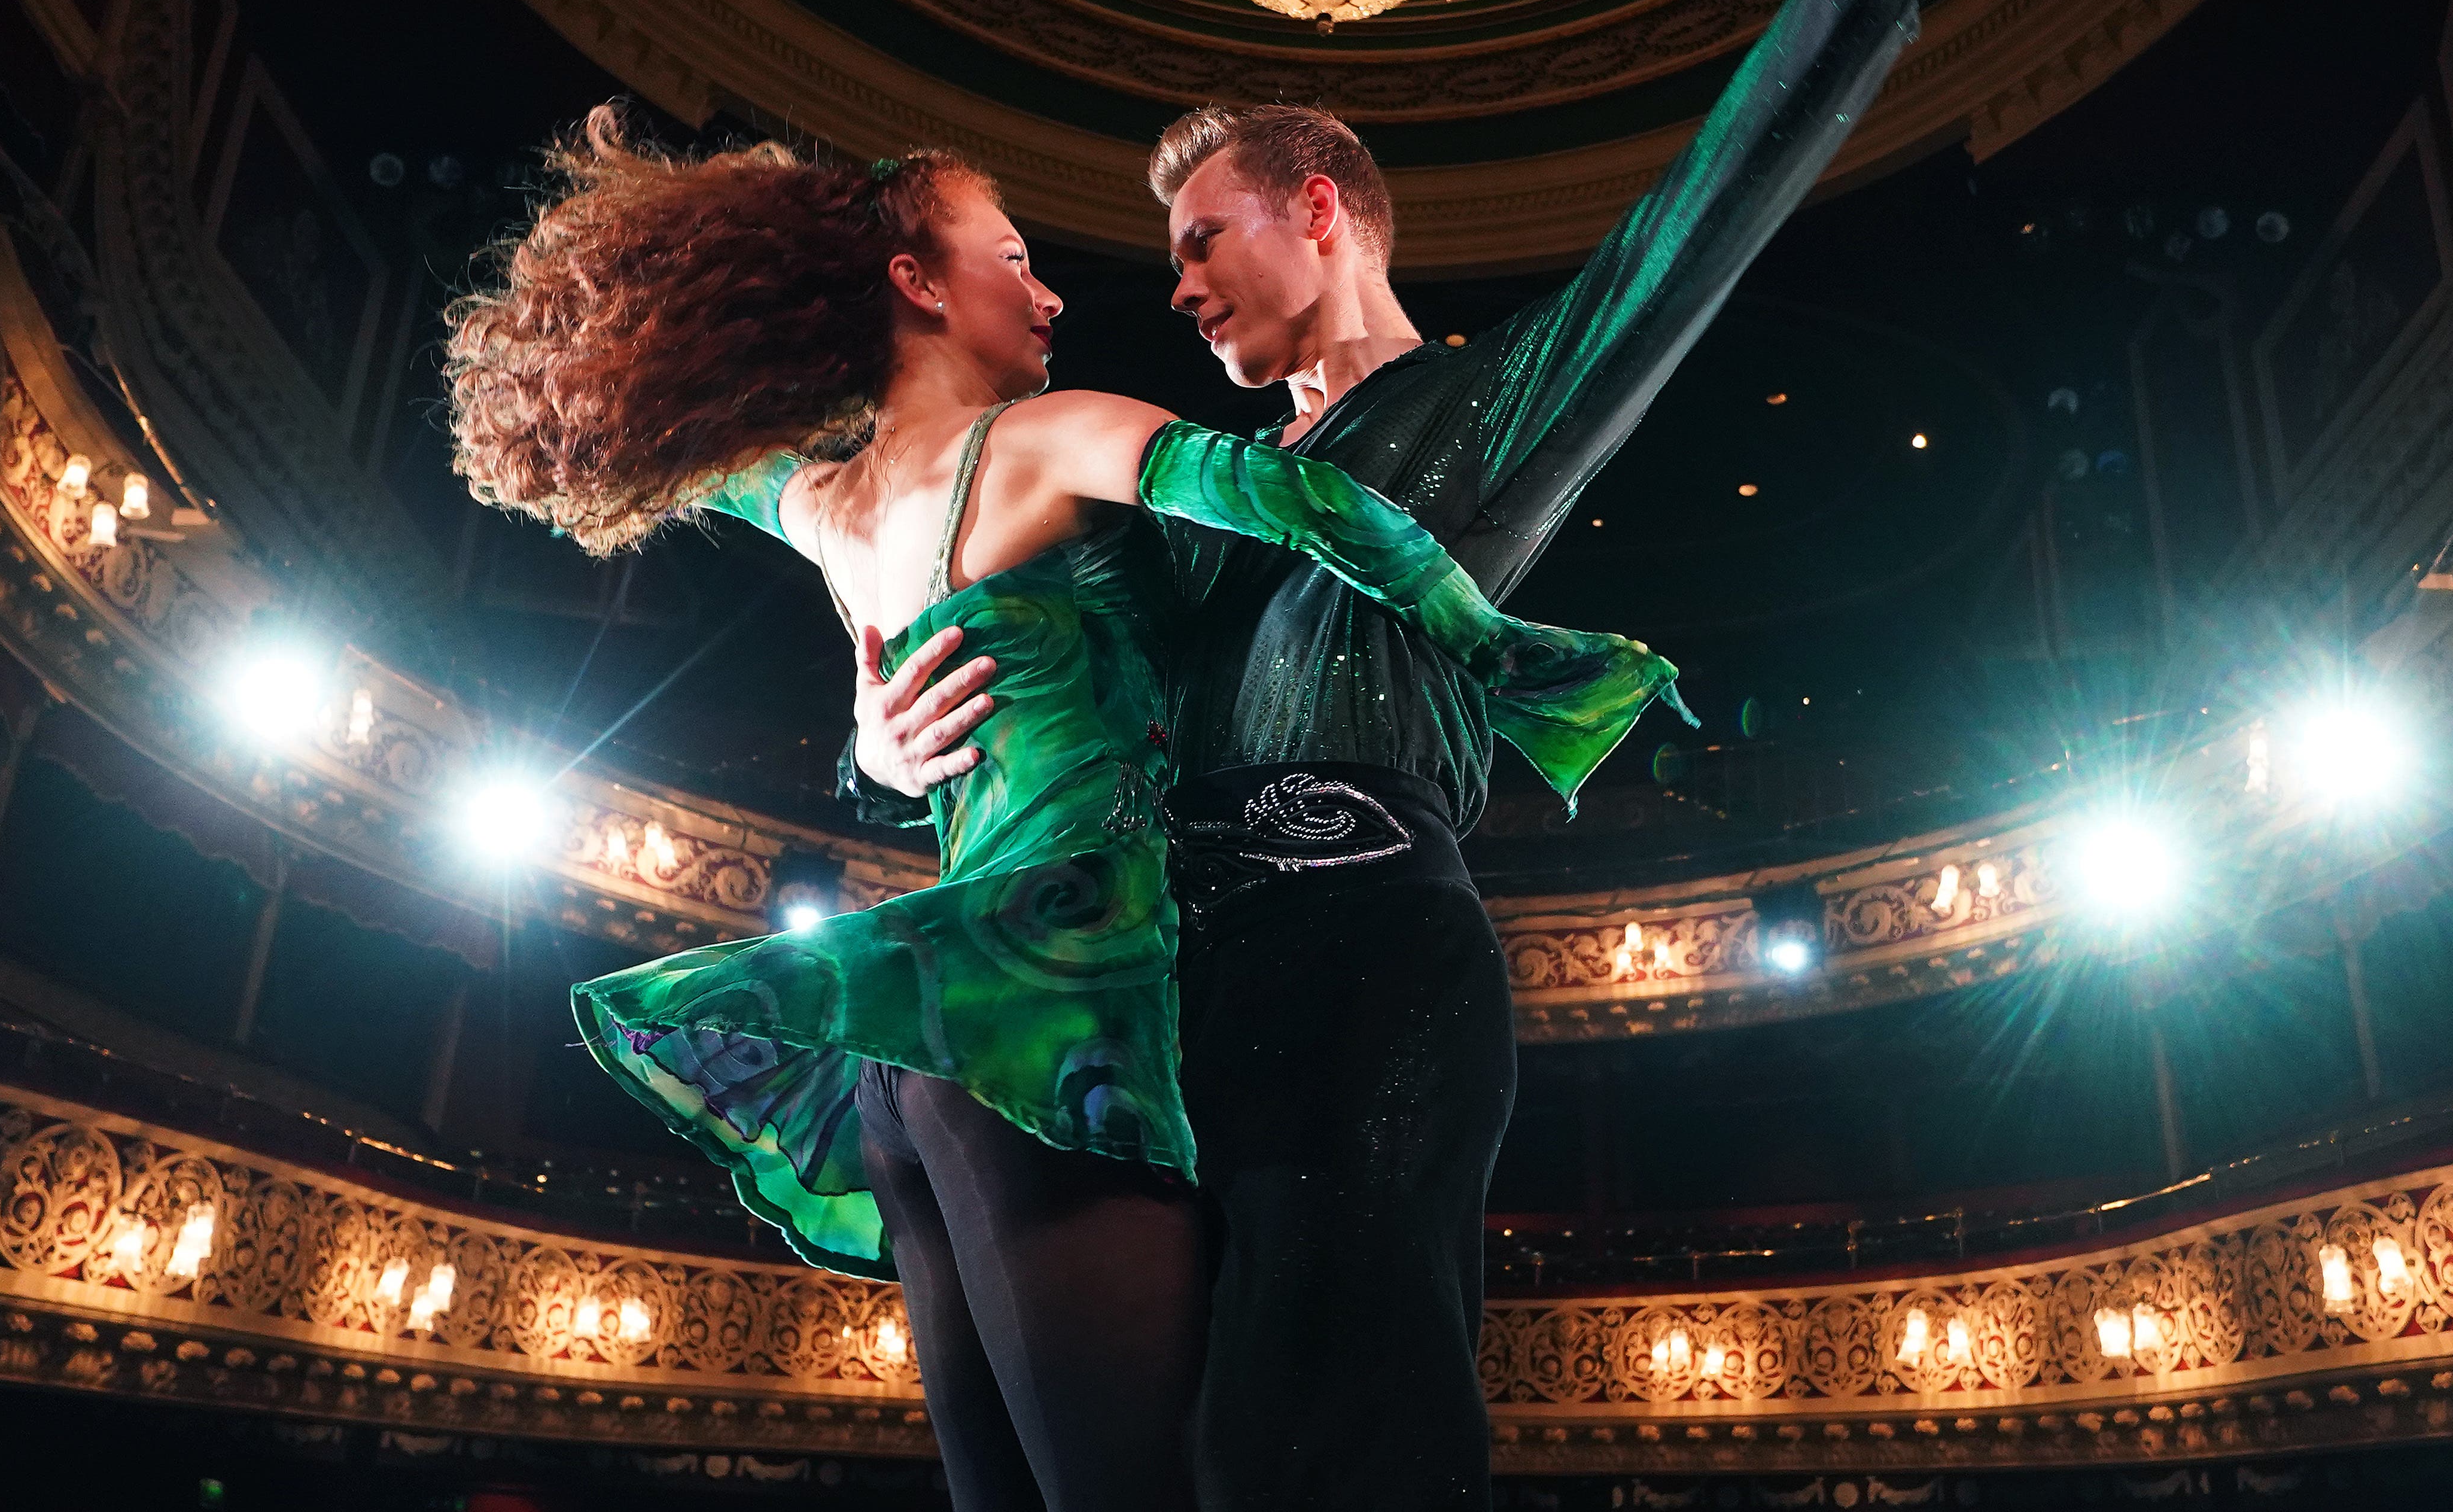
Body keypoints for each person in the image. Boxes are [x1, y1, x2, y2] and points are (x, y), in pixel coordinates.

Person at [850, 0, 2129, 1508]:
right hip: (1154, 987)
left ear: (1321, 206)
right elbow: (997, 642)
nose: (1176, 280)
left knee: (1314, 1450)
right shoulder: (1178, 493)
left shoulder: (1489, 414)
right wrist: (889, 749)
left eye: (1204, 233)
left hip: (1362, 969)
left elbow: (1716, 199)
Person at [440, 116, 1685, 1510]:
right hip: (1058, 1010)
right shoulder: (1048, 435)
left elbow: (679, 447)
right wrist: (1516, 654)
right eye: (1017, 259)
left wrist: (870, 739)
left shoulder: (823, 506)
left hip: (919, 1037)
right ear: (917, 282)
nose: (1051, 296)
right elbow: (1309, 501)